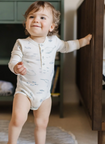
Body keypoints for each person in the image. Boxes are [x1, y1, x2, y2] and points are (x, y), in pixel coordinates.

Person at [8, 1, 92, 144]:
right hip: (25, 91)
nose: (36, 20)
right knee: (18, 119)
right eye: (31, 16)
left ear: (51, 26)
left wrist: (82, 42)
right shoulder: (22, 43)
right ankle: (11, 142)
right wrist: (16, 67)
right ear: (26, 23)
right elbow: (13, 61)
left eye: (42, 17)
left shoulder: (53, 41)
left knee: (42, 124)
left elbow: (66, 46)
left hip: (45, 94)